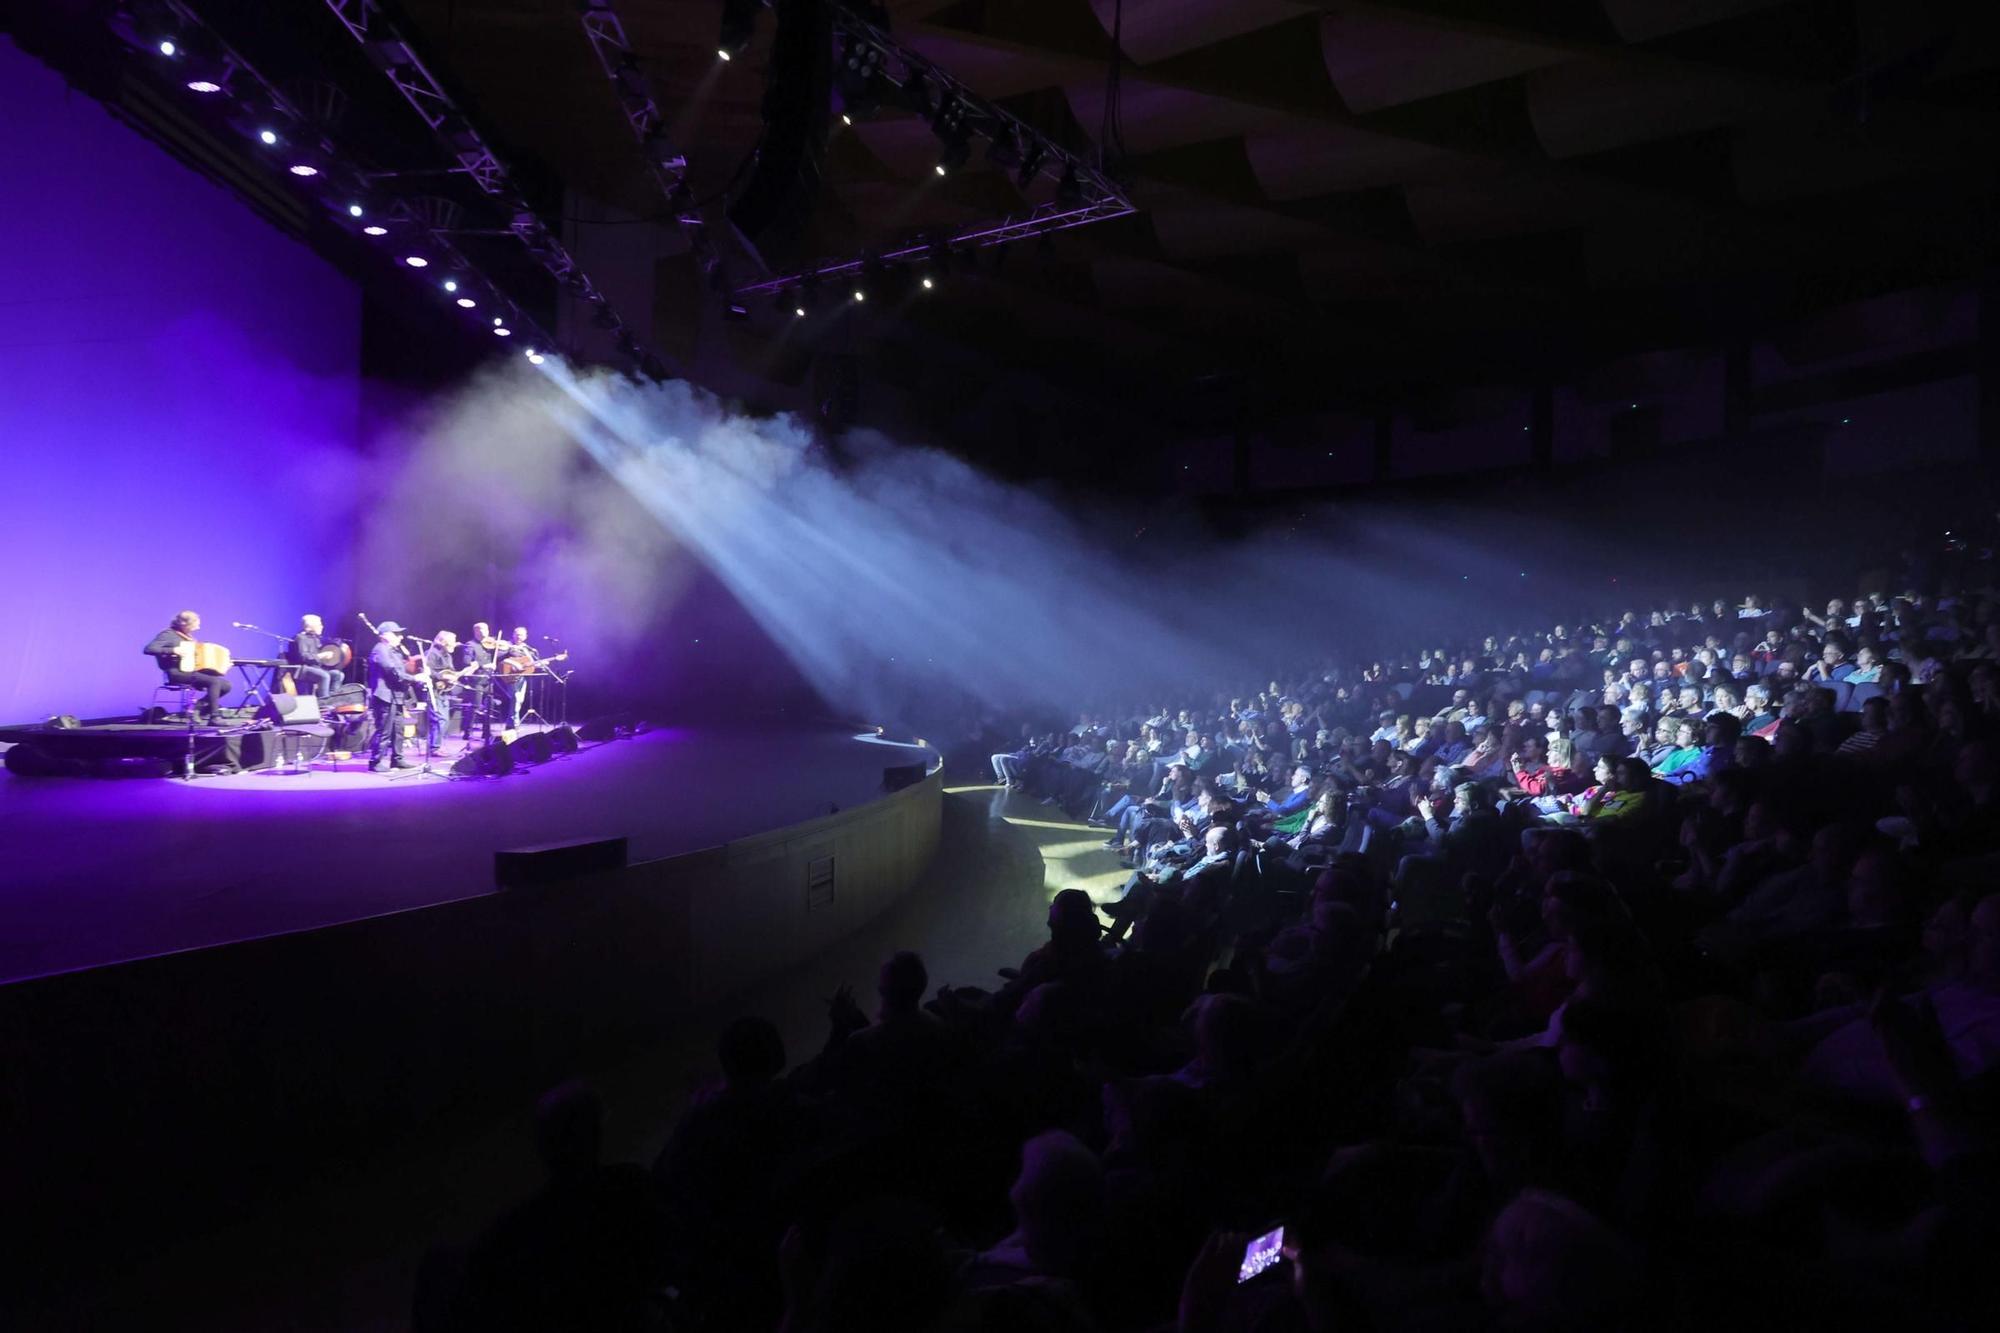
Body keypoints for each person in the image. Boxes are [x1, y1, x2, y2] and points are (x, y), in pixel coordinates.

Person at [143, 609, 230, 722]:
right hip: (176, 673)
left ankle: (198, 707)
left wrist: (222, 664)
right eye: (196, 624)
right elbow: (149, 649)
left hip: (191, 672)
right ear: (185, 624)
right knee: (214, 682)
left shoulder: (188, 637)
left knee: (226, 685)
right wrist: (174, 650)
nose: (198, 628)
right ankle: (215, 717)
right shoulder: (168, 634)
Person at [366, 620, 428, 772]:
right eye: (397, 634)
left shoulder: (393, 651)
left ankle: (397, 759)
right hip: (385, 696)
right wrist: (415, 678)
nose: (400, 637)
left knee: (398, 729)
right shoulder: (380, 650)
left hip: (396, 695)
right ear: (385, 635)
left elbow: (400, 671)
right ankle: (375, 761)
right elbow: (392, 671)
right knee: (384, 729)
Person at [288, 613, 343, 700]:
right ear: (311, 626)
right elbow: (303, 657)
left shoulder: (315, 638)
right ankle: (324, 702)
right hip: (302, 669)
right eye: (319, 625)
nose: (322, 626)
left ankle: (333, 699)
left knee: (338, 674)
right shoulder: (300, 638)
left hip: (315, 668)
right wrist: (320, 656)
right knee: (324, 676)